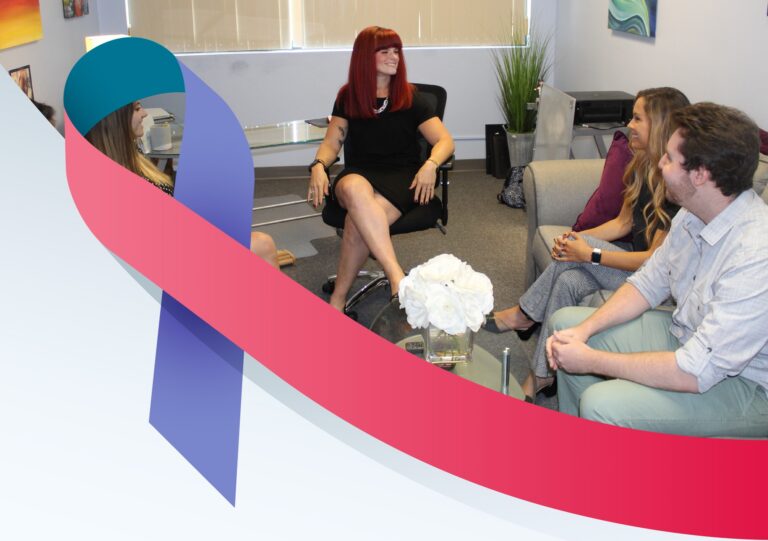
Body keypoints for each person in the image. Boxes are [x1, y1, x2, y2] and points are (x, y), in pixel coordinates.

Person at [546, 102, 768, 437]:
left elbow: (696, 372)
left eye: (668, 158)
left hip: (745, 385)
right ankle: (580, 446)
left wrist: (590, 360)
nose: (659, 165)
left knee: (601, 402)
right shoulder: (694, 211)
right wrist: (583, 334)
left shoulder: (755, 254)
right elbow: (647, 284)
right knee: (566, 328)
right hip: (687, 338)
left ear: (700, 174)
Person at [486, 87, 690, 401]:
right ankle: (542, 374)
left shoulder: (678, 184)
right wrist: (580, 239)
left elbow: (653, 260)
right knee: (569, 277)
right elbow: (622, 223)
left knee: (578, 258)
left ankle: (523, 315)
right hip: (632, 261)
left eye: (638, 118)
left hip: (657, 281)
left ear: (661, 124)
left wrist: (590, 252)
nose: (629, 125)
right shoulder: (643, 164)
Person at [307, 26, 454, 312]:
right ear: (365, 57)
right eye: (385, 51)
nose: (394, 56)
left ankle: (338, 298)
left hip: (403, 177)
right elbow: (331, 143)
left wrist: (431, 164)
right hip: (360, 173)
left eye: (396, 50)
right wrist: (319, 165)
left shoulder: (410, 97)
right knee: (350, 186)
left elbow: (445, 141)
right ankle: (396, 276)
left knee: (356, 222)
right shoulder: (348, 96)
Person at [85, 100, 279, 268]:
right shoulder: (110, 181)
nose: (144, 113)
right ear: (116, 121)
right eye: (137, 109)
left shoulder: (130, 158)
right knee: (263, 245)